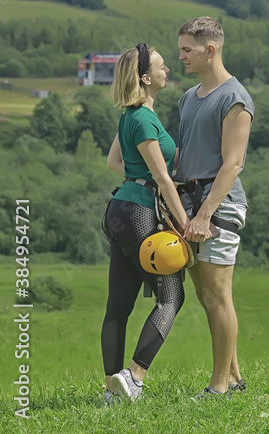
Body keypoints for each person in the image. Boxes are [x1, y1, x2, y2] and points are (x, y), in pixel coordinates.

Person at [103, 43, 189, 404]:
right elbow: (164, 178)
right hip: (139, 216)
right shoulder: (143, 118)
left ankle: (113, 391)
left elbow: (113, 162)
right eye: (162, 67)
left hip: (119, 211)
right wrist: (185, 225)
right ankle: (134, 377)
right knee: (172, 296)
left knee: (118, 307)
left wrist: (138, 180)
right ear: (145, 78)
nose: (167, 70)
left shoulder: (130, 116)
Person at [174, 17, 254, 398]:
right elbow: (185, 155)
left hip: (218, 208)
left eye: (187, 49)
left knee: (218, 295)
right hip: (187, 205)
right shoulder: (187, 98)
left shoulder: (234, 98)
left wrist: (205, 214)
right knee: (205, 298)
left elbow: (233, 163)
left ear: (211, 50)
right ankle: (235, 379)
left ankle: (219, 386)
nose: (181, 56)